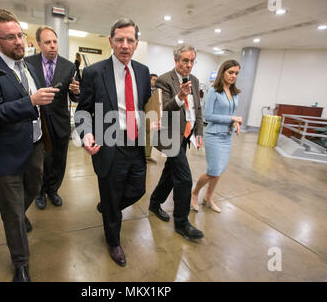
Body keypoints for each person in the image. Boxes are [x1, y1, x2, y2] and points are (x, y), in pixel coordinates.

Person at [0, 9, 58, 282]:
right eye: (10, 38)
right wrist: (30, 102)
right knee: (11, 213)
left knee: (31, 190)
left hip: (34, 146)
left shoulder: (28, 66)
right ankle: (21, 264)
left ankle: (17, 216)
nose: (19, 42)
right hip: (6, 154)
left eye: (20, 35)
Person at [75, 18, 151, 267]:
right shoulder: (94, 72)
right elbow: (83, 111)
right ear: (111, 42)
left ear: (137, 43)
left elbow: (146, 106)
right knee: (112, 196)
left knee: (137, 189)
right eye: (120, 40)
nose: (125, 45)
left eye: (130, 40)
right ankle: (113, 241)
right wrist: (86, 133)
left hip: (135, 144)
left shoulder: (142, 71)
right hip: (109, 144)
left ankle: (108, 207)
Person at [148, 44, 204, 241]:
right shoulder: (164, 80)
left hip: (185, 136)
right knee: (185, 179)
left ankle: (155, 203)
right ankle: (182, 223)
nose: (188, 65)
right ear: (176, 61)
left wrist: (198, 132)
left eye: (191, 61)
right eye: (185, 61)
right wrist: (180, 96)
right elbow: (165, 110)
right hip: (170, 136)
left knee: (170, 175)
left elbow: (197, 108)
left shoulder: (195, 81)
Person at [25, 26, 79, 209]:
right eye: (47, 42)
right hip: (38, 121)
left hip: (60, 121)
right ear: (39, 44)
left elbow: (74, 96)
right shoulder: (27, 63)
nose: (52, 46)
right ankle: (39, 192)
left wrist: (76, 92)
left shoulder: (69, 66)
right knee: (41, 161)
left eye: (55, 42)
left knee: (59, 160)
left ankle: (53, 190)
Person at [191, 60, 242, 213]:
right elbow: (209, 116)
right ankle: (195, 193)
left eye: (236, 73)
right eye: (230, 72)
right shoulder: (214, 91)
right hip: (214, 135)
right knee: (213, 170)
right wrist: (231, 119)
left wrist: (235, 122)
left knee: (219, 171)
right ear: (223, 72)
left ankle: (208, 197)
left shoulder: (235, 93)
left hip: (227, 136)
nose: (233, 76)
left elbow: (231, 114)